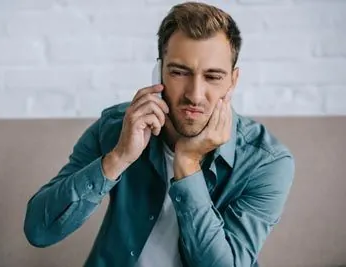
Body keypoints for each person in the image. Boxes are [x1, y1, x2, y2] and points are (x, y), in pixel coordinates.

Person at [23, 2, 295, 267]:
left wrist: (187, 164)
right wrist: (117, 158)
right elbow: (39, 230)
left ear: (233, 81)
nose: (195, 95)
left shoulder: (267, 162)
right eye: (179, 72)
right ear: (159, 71)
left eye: (213, 77)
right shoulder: (117, 126)